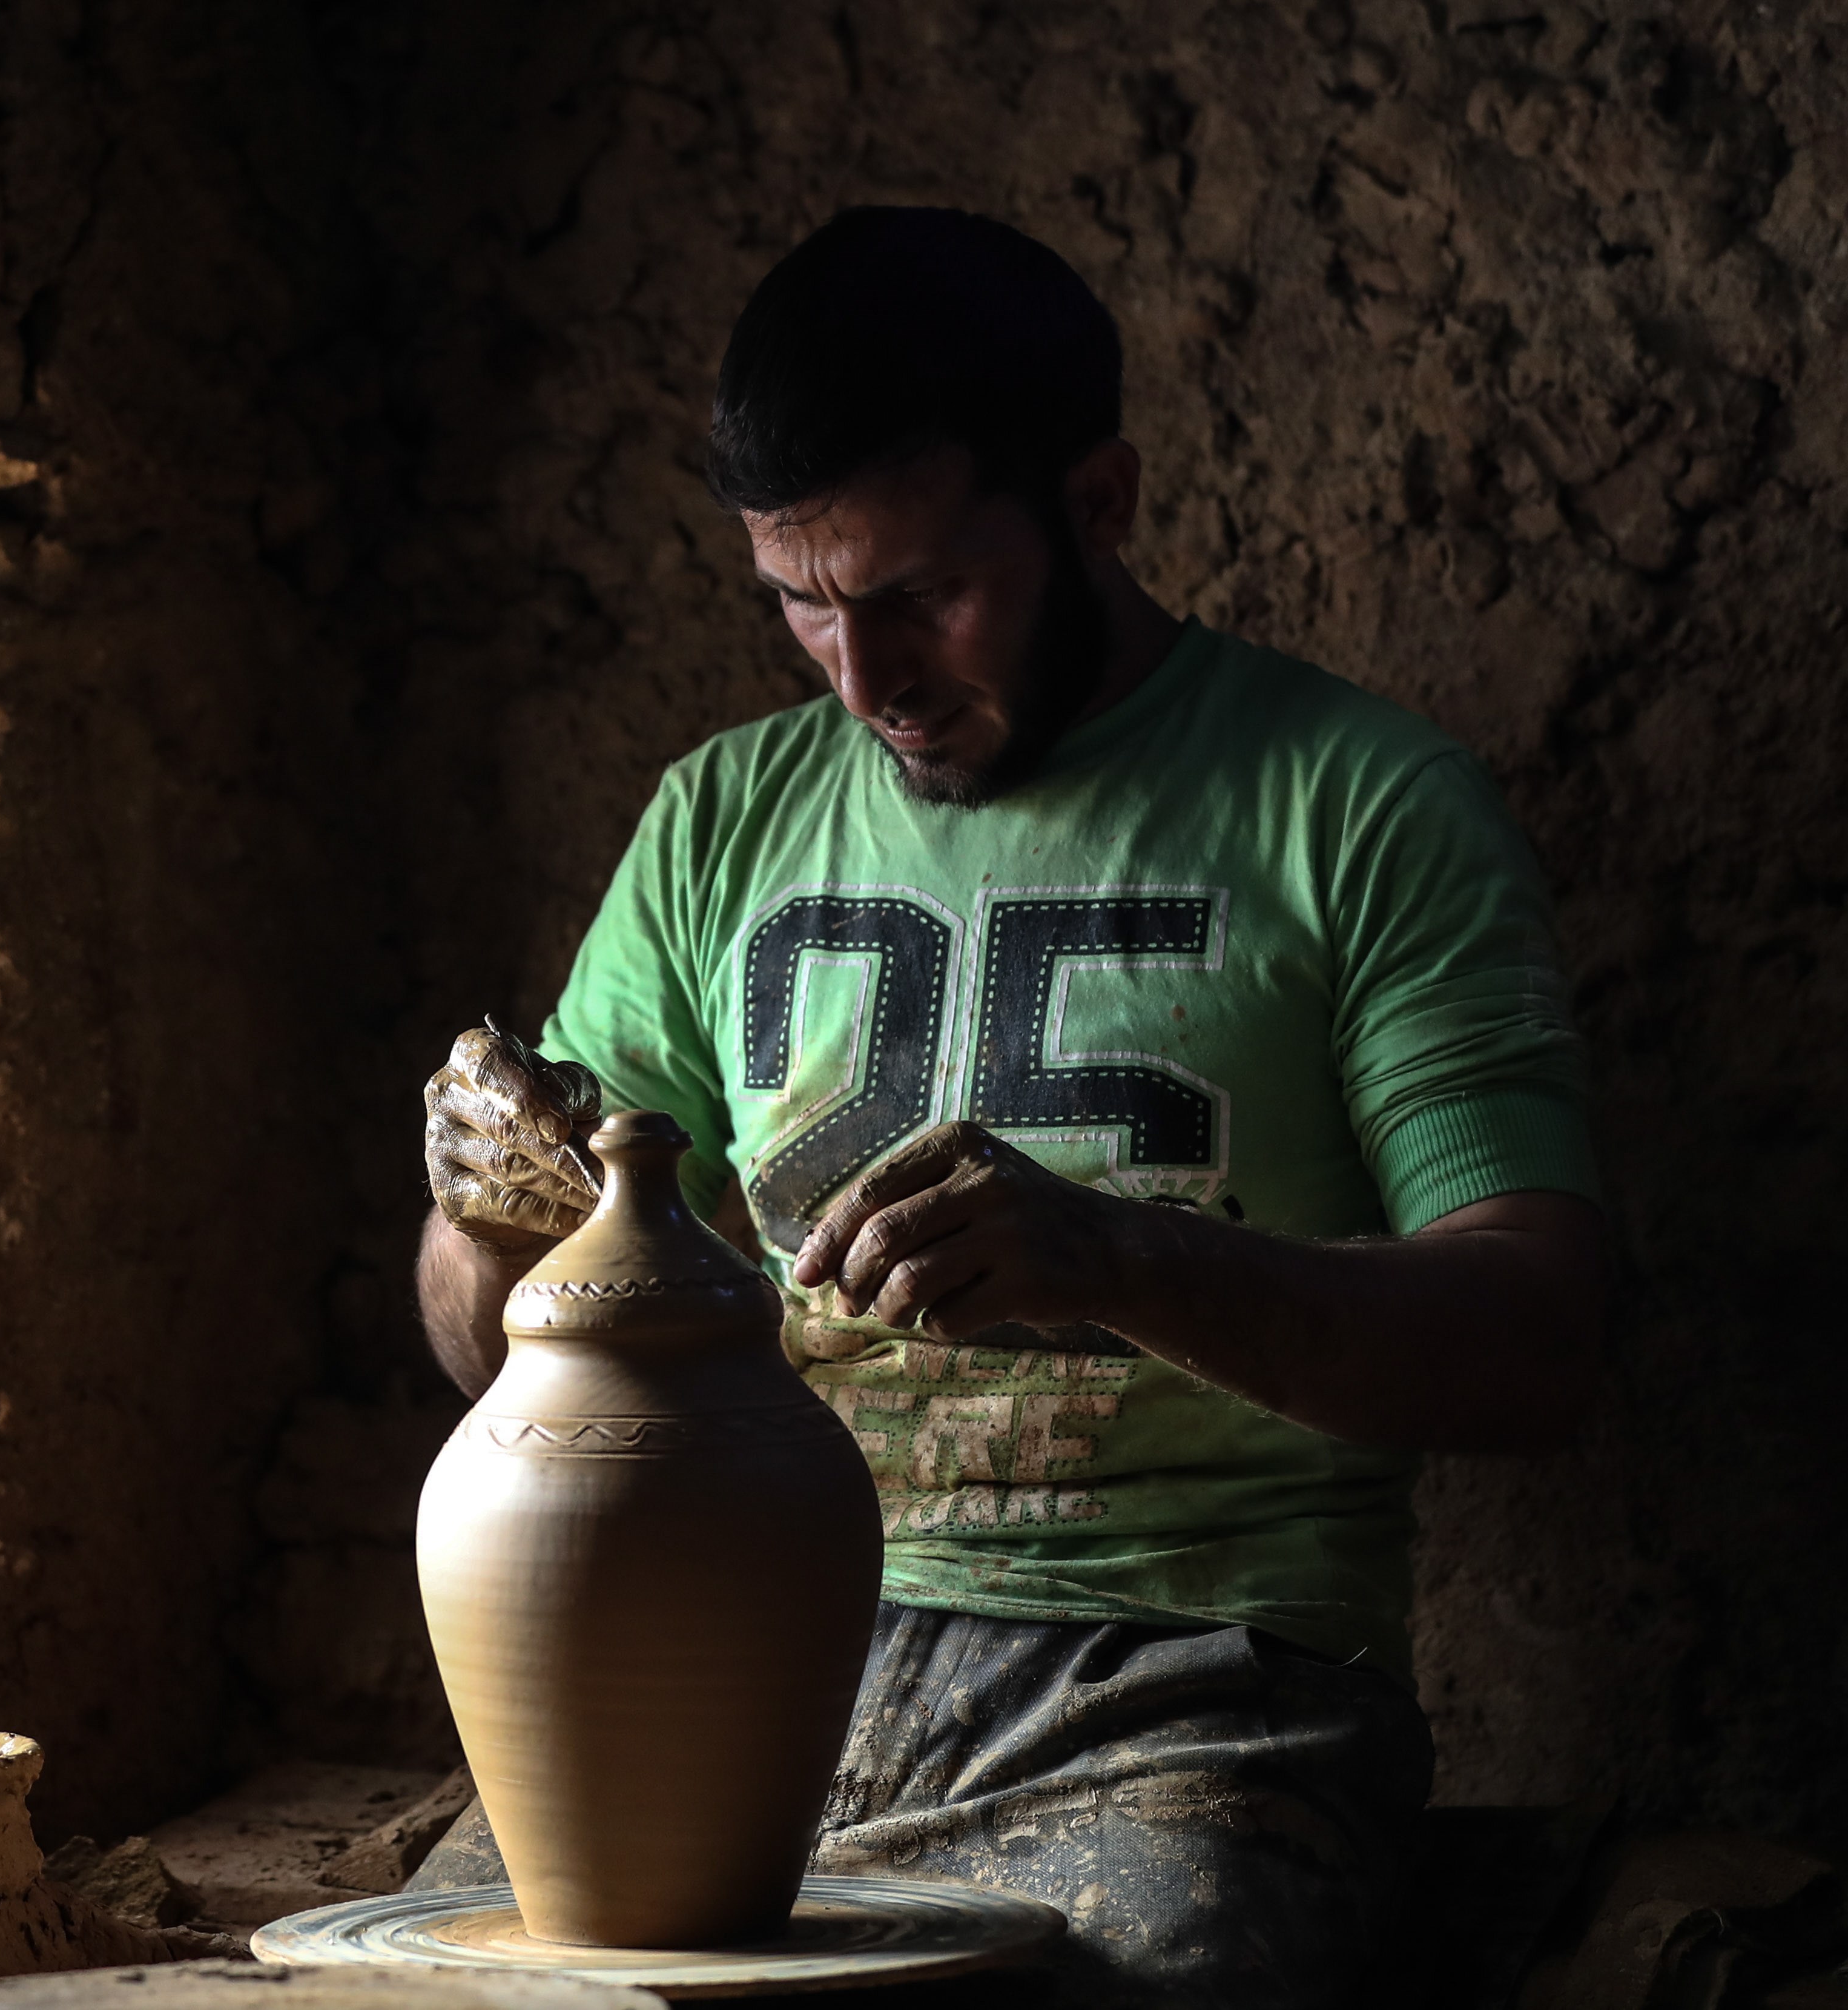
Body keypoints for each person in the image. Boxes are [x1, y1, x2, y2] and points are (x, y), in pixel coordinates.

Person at [409, 207, 1608, 2008]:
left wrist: (1114, 1257)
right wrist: (490, 1223)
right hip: (722, 1655)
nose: (863, 680)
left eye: (916, 596)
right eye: (801, 606)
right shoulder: (721, 817)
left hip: (1188, 1697)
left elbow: (1546, 1341)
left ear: (1098, 503)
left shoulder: (1355, 806)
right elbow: (477, 1351)